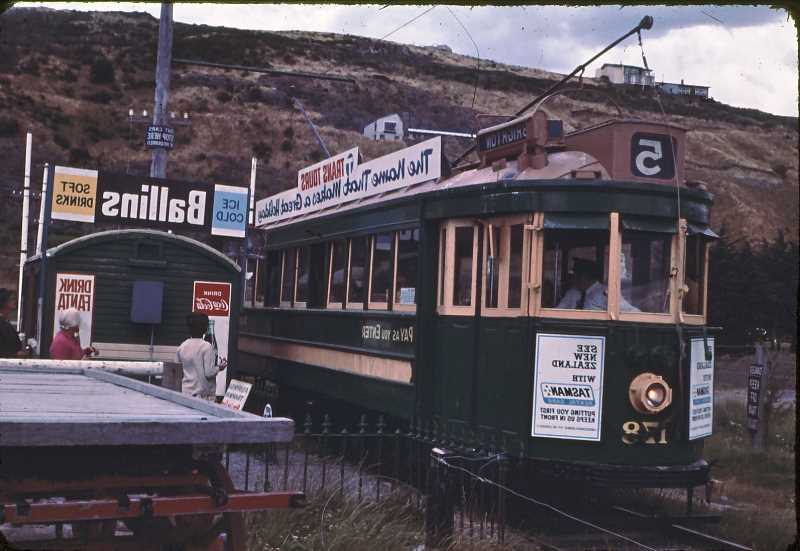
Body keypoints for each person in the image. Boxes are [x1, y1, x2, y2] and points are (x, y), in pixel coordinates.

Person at [556, 258, 639, 312]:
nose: (575, 280)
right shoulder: (574, 292)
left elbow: (631, 311)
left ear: (587, 276)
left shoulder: (605, 292)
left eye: (578, 276)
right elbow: (559, 310)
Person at [177, 312, 226, 400]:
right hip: (203, 397)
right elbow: (209, 373)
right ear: (205, 329)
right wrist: (220, 367)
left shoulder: (182, 346)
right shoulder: (207, 347)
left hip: (185, 394)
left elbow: (177, 371)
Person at [0, 288, 29, 358]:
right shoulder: (2, 323)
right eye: (12, 299)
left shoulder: (6, 322)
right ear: (4, 302)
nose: (15, 301)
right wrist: (15, 354)